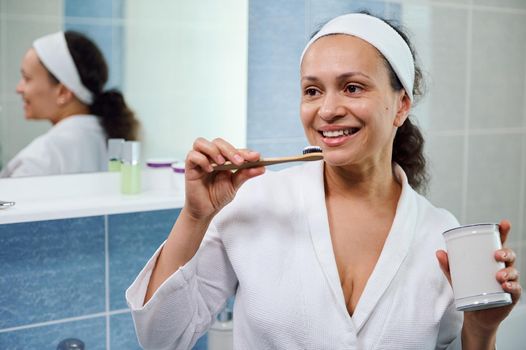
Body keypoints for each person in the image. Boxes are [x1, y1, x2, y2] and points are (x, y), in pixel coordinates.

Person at [125, 13, 521, 349]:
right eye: (312, 91)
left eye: (352, 87)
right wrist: (195, 217)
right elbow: (162, 339)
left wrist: (482, 329)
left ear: (401, 104)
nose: (328, 110)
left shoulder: (441, 234)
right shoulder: (256, 202)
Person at [0, 31, 139, 178]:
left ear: (63, 93)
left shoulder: (41, 158)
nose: (18, 88)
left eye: (27, 78)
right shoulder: (108, 137)